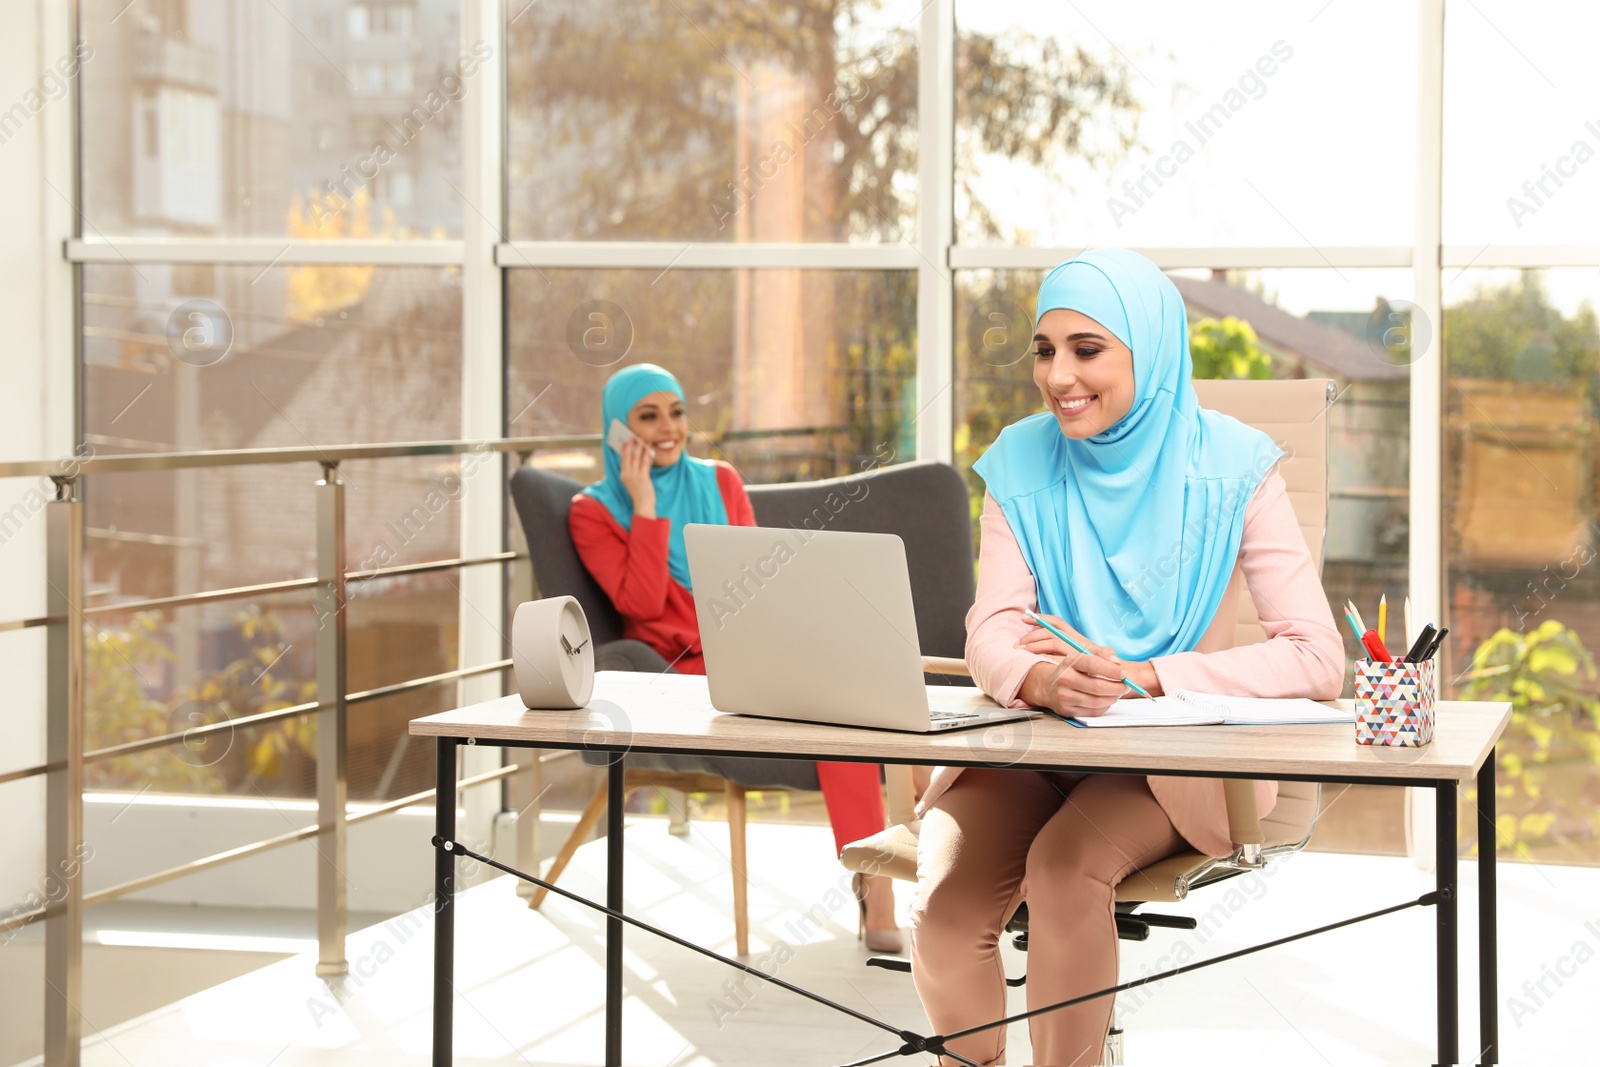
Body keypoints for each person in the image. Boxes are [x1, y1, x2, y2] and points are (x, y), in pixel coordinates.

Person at [909, 250, 1344, 1065]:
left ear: (1149, 351)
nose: (1057, 375)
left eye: (1087, 349)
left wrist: (1148, 674)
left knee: (1063, 867)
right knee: (942, 908)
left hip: (1170, 756)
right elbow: (991, 634)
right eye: (1044, 349)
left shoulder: (1237, 467)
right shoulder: (1019, 462)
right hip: (1042, 739)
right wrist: (1040, 674)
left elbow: (1317, 656)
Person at [568, 363, 903, 952]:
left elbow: (760, 580)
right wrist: (646, 507)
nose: (668, 428)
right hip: (678, 669)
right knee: (833, 708)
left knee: (847, 700)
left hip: (748, 647)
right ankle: (879, 879)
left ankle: (875, 881)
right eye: (648, 416)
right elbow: (639, 603)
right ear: (618, 430)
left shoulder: (721, 481)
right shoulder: (592, 512)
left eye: (676, 412)